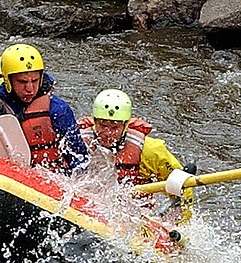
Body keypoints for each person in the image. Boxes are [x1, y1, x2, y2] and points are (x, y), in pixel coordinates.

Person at [79, 88, 191, 218]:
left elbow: (182, 185)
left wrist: (180, 221)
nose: (108, 133)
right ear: (94, 121)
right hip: (90, 204)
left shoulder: (149, 150)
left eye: (115, 127)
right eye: (103, 126)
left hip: (135, 212)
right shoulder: (78, 141)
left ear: (126, 125)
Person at [0, 43, 88, 173]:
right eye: (22, 82)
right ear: (8, 80)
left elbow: (79, 158)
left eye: (35, 80)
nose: (30, 89)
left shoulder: (58, 110)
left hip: (51, 176)